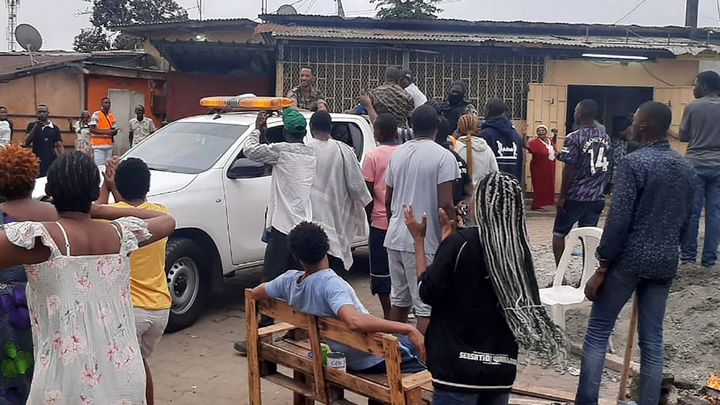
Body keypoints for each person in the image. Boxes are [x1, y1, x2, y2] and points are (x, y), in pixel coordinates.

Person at [0, 151, 176, 403]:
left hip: (65, 379)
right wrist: (100, 210)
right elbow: (166, 220)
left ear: (49, 188)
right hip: (123, 373)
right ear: (94, 192)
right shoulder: (119, 235)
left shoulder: (41, 240)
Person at [405, 172, 564, 405]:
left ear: (481, 204)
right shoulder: (518, 251)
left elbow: (427, 291)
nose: (469, 202)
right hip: (500, 371)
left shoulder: (462, 243)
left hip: (458, 371)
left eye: (473, 196)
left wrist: (419, 240)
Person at [577, 102, 696, 405]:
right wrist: (673, 247)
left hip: (629, 260)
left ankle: (587, 401)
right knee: (652, 342)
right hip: (665, 261)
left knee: (599, 332)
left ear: (643, 125)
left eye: (634, 120)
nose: (630, 124)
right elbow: (688, 219)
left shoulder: (634, 163)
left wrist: (602, 267)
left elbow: (619, 220)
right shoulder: (686, 167)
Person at [248, 221, 426, 373]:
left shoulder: (287, 281)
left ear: (295, 256)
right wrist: (407, 328)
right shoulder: (331, 284)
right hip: (371, 357)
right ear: (327, 247)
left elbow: (255, 293)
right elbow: (354, 321)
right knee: (434, 354)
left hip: (340, 354)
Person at [234, 109, 316, 355]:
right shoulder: (310, 153)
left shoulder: (281, 151)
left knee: (268, 283)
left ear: (287, 132)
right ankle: (298, 330)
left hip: (283, 229)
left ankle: (258, 337)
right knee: (300, 282)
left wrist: (258, 128)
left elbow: (251, 151)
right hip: (304, 225)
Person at [96, 157, 171, 405]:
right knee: (139, 364)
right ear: (147, 187)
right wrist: (115, 187)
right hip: (160, 308)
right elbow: (130, 211)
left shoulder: (109, 219)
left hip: (130, 311)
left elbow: (99, 211)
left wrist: (107, 186)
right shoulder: (161, 213)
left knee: (122, 373)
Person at [384, 105, 459, 334]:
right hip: (423, 240)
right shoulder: (443, 157)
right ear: (437, 127)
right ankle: (426, 362)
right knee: (425, 307)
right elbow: (445, 204)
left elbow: (388, 198)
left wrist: (395, 223)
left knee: (399, 301)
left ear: (411, 126)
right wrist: (453, 233)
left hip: (396, 236)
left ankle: (395, 358)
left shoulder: (397, 154)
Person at [0, 145, 58, 404]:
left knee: (10, 376)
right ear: (33, 177)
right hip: (49, 302)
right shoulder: (56, 214)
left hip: (6, 309)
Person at [307, 111, 372, 272]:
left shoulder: (304, 151)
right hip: (337, 218)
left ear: (310, 128)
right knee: (333, 267)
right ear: (330, 127)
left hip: (309, 220)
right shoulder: (344, 151)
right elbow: (358, 188)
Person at [553, 99, 611, 265]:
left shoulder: (574, 137)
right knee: (588, 236)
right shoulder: (605, 137)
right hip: (596, 196)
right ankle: (586, 277)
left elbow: (569, 168)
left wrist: (562, 196)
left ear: (578, 113)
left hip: (576, 195)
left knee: (559, 233)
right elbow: (609, 164)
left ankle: (560, 275)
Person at [679, 70, 720, 268]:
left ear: (703, 86)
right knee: (715, 213)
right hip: (719, 165)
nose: (694, 88)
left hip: (694, 163)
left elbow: (683, 136)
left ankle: (688, 258)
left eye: (695, 84)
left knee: (692, 213)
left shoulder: (693, 107)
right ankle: (710, 260)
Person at [363, 114, 401, 318]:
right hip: (404, 222)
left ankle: (388, 314)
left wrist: (369, 217)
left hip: (380, 222)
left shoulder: (373, 156)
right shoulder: (405, 152)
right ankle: (402, 311)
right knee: (401, 271)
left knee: (381, 272)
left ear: (378, 132)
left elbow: (368, 192)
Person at [478, 98, 524, 182]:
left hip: (491, 188)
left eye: (484, 108)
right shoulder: (516, 135)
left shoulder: (484, 135)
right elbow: (520, 164)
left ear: (488, 111)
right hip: (512, 187)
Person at [452, 113, 499, 187]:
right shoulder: (487, 149)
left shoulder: (454, 148)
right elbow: (495, 173)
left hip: (462, 195)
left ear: (459, 128)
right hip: (481, 194)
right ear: (476, 127)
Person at [24, 104, 63, 177]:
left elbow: (59, 145)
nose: (41, 114)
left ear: (48, 113)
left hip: (50, 159)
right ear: (36, 113)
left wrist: (62, 159)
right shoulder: (31, 125)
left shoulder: (54, 128)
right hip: (36, 159)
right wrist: (35, 127)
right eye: (39, 112)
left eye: (43, 111)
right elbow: (26, 142)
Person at [527, 124, 558, 211]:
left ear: (546, 132)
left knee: (547, 184)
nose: (541, 132)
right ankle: (536, 205)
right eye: (539, 131)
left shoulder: (549, 141)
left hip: (549, 167)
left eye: (543, 130)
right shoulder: (534, 142)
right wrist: (524, 135)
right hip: (538, 167)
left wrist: (555, 135)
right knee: (538, 185)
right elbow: (527, 147)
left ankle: (545, 202)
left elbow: (553, 144)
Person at [89, 97, 118, 167]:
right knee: (99, 166)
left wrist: (114, 132)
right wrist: (107, 132)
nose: (107, 104)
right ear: (102, 104)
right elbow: (92, 129)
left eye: (109, 103)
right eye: (105, 103)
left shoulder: (111, 116)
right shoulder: (96, 114)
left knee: (108, 166)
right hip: (98, 146)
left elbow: (113, 129)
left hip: (109, 145)